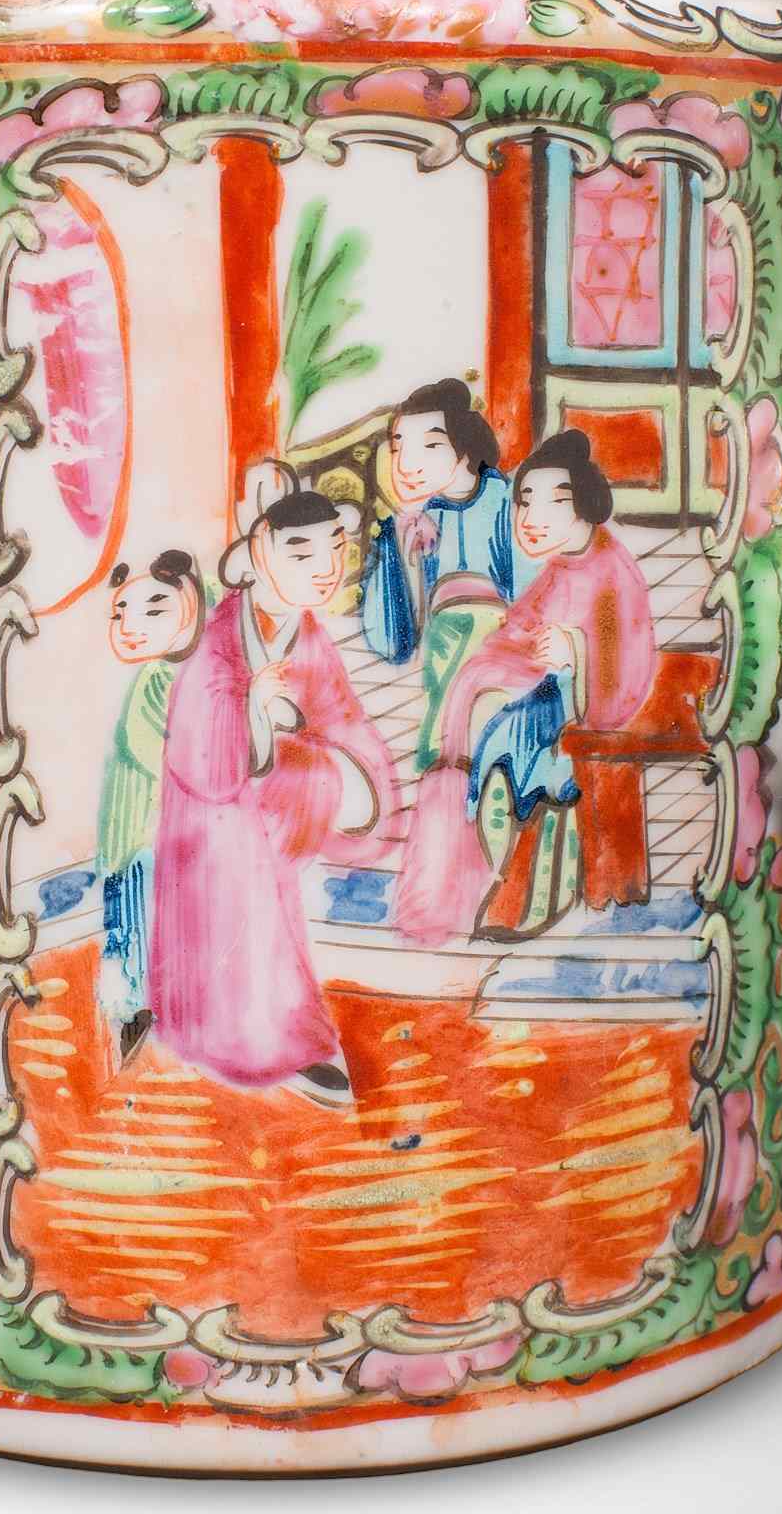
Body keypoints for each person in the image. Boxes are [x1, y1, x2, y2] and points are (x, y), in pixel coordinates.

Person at [148, 467, 396, 1106]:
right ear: (260, 550)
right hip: (214, 806)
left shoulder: (306, 637)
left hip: (264, 795)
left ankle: (281, 1036)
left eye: (334, 550)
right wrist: (252, 710)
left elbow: (342, 717)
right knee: (243, 899)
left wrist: (344, 769)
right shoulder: (218, 639)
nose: (325, 569)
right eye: (301, 553)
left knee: (271, 902)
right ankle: (266, 1045)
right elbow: (200, 740)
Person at [394, 431, 655, 947]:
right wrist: (495, 672)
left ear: (584, 504)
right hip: (539, 700)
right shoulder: (559, 568)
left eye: (554, 502)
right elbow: (515, 632)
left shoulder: (612, 569)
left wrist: (576, 652)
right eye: (525, 501)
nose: (532, 517)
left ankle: (522, 888)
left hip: (580, 712)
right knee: (473, 721)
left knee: (507, 746)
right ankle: (457, 888)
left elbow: (626, 664)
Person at [360, 378, 540, 768]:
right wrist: (398, 548)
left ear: (463, 449)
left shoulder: (506, 504)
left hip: (504, 663)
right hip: (438, 663)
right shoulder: (407, 521)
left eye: (430, 446)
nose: (407, 465)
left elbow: (533, 600)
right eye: (398, 447)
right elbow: (391, 640)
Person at [96, 551, 205, 1068]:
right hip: (142, 828)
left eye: (154, 610)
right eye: (121, 614)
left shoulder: (195, 673)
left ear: (190, 603)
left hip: (174, 829)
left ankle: (159, 1004)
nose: (132, 628)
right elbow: (153, 754)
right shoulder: (154, 681)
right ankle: (129, 1011)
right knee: (132, 918)